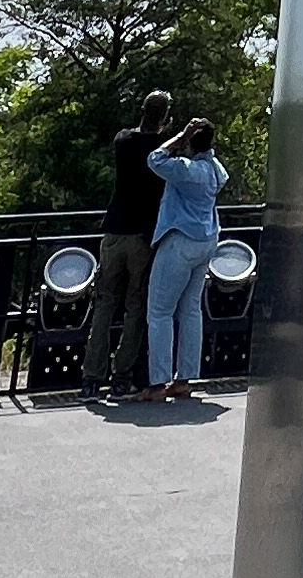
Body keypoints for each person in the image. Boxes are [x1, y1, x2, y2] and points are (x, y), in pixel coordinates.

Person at [86, 90, 174, 399]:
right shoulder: (160, 152)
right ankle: (121, 376)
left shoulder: (122, 140)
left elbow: (133, 135)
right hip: (142, 236)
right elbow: (163, 154)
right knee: (135, 307)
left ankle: (91, 377)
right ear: (165, 118)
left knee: (104, 305)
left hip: (113, 231)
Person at [144, 114, 224, 399]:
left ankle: (158, 382)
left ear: (192, 140)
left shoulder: (187, 169)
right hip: (207, 239)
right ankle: (185, 378)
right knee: (190, 310)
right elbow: (221, 175)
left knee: (160, 311)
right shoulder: (215, 170)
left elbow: (155, 159)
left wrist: (181, 136)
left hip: (180, 240)